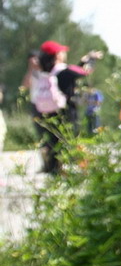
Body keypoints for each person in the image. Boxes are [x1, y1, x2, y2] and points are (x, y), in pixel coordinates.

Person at [22, 41, 99, 173]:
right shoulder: (63, 70)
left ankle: (54, 169)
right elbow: (85, 71)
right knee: (72, 138)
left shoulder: (43, 71)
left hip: (46, 111)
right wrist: (91, 59)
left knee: (52, 141)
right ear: (57, 55)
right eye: (62, 51)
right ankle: (88, 168)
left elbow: (25, 85)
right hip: (65, 112)